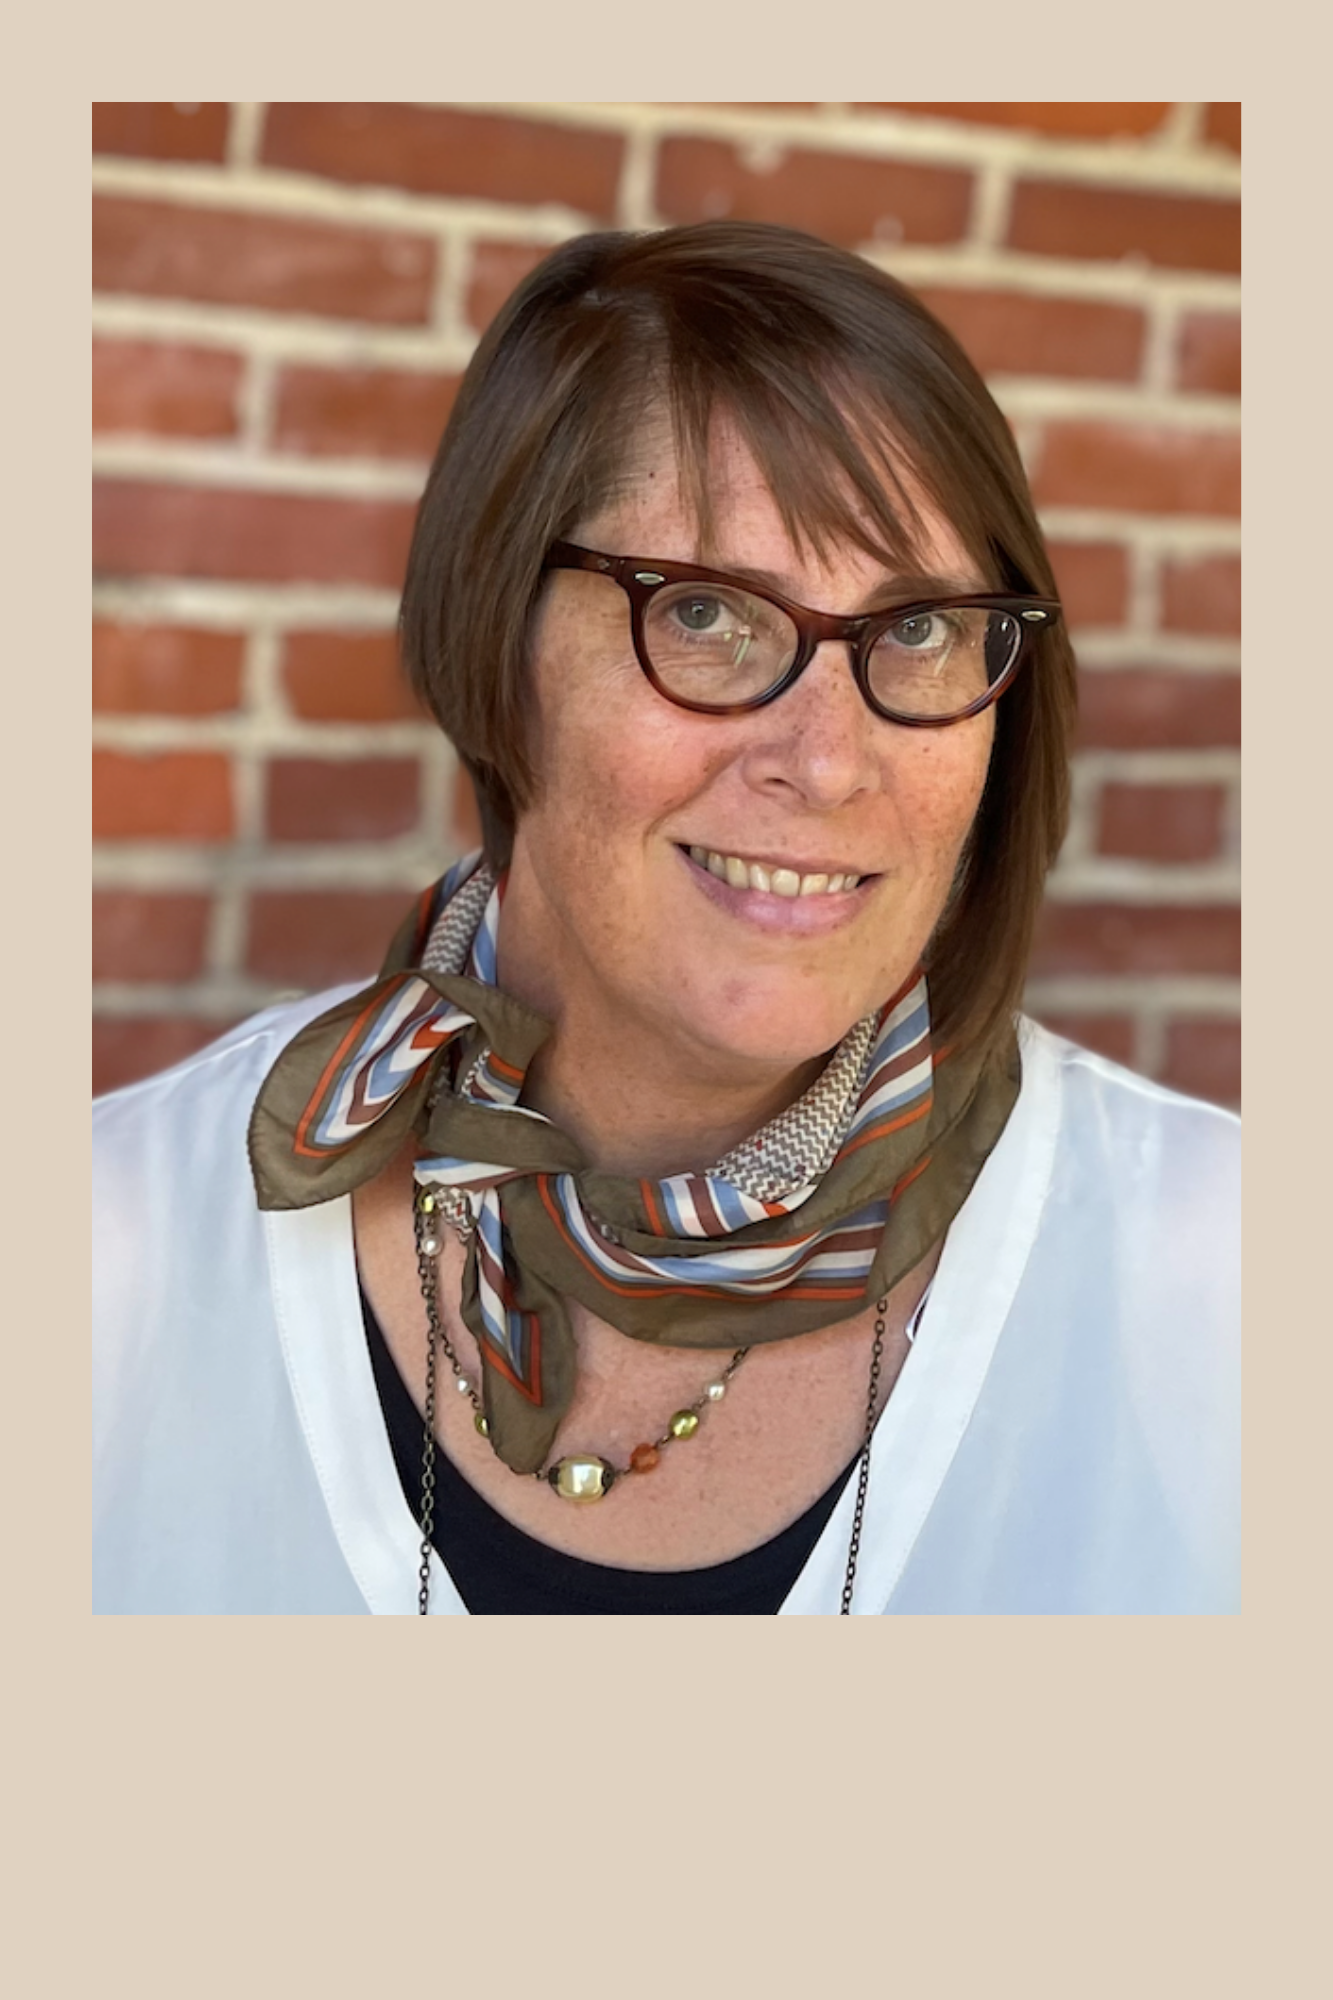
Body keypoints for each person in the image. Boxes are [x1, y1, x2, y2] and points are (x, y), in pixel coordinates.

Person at [92, 221, 1239, 1615]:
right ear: (490, 644)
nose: (825, 760)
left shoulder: (1223, 1282)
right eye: (705, 613)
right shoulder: (115, 1249)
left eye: (922, 627)